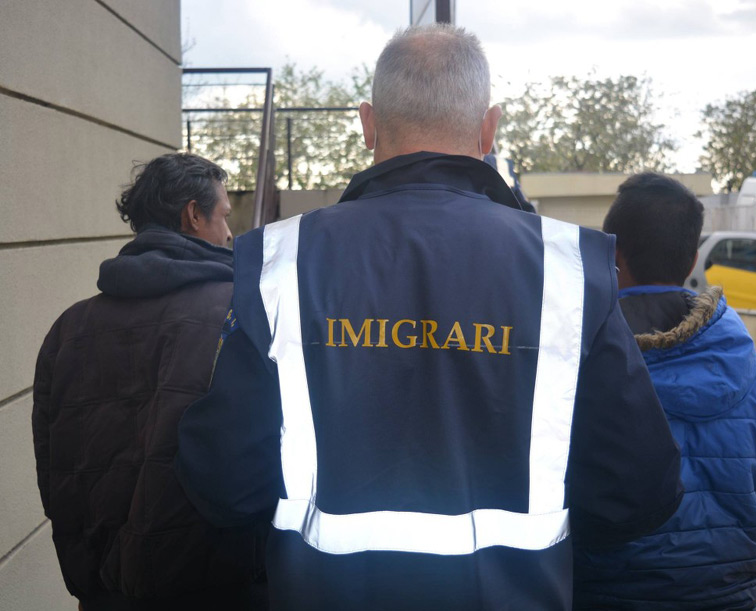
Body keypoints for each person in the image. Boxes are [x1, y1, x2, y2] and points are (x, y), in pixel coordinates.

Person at [175, 25, 683, 610]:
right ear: (489, 129)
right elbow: (638, 490)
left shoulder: (279, 263)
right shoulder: (568, 269)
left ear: (368, 124)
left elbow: (222, 483)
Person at [32, 153, 269, 610]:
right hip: (216, 587)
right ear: (193, 215)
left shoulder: (68, 328)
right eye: (223, 215)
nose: (229, 233)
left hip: (102, 588)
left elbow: (52, 463)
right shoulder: (240, 313)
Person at [573, 173, 756, 611]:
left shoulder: (577, 367)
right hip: (729, 595)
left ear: (613, 254)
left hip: (607, 593)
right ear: (692, 260)